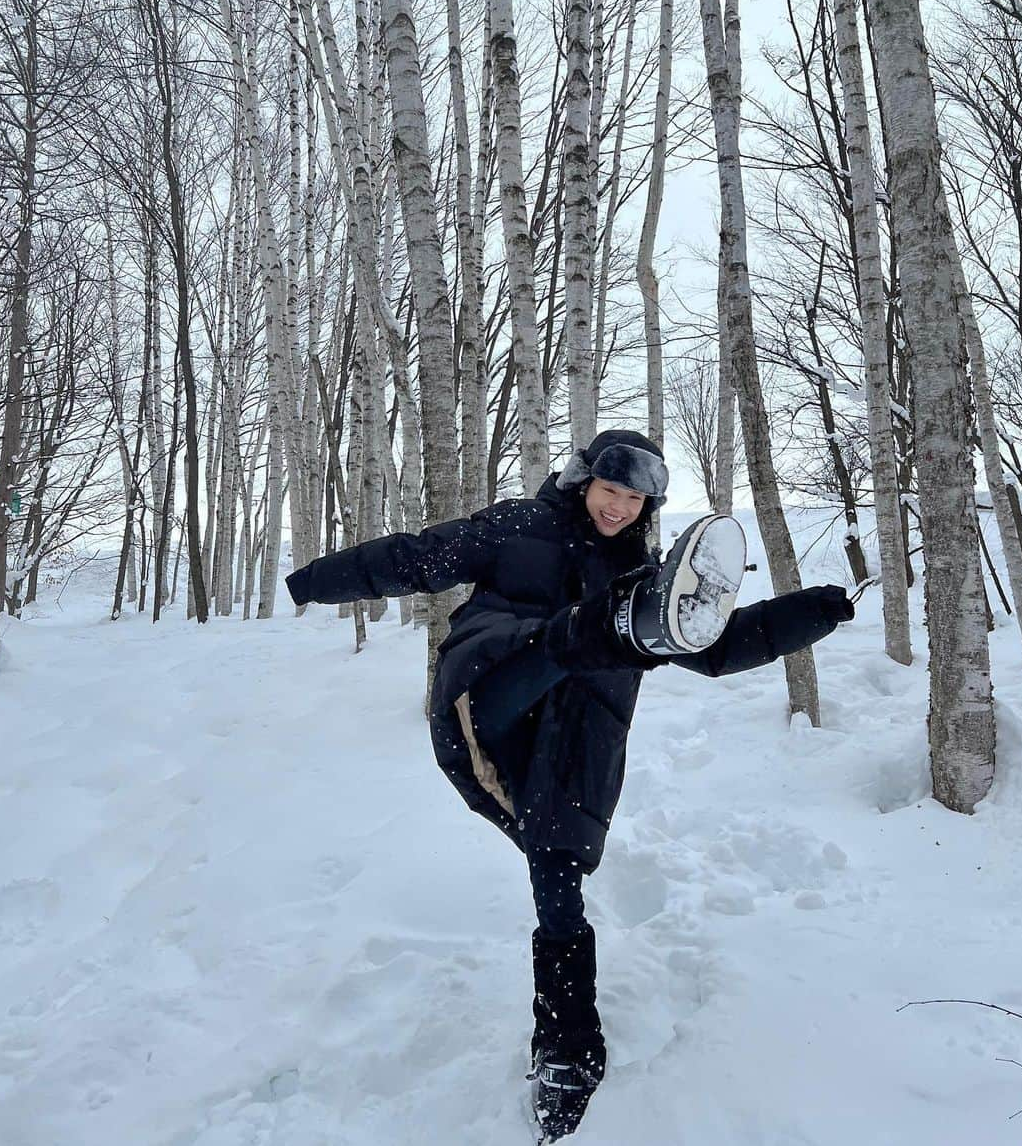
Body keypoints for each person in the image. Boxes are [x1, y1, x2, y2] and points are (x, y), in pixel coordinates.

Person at [285, 430, 854, 1141]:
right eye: (609, 490)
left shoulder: (642, 577)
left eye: (635, 498)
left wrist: (815, 611)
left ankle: (566, 1049)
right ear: (583, 480)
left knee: (559, 889)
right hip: (491, 701)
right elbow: (418, 559)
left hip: (568, 746)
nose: (618, 508)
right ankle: (594, 633)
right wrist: (312, 581)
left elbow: (710, 649)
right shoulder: (520, 525)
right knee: (577, 636)